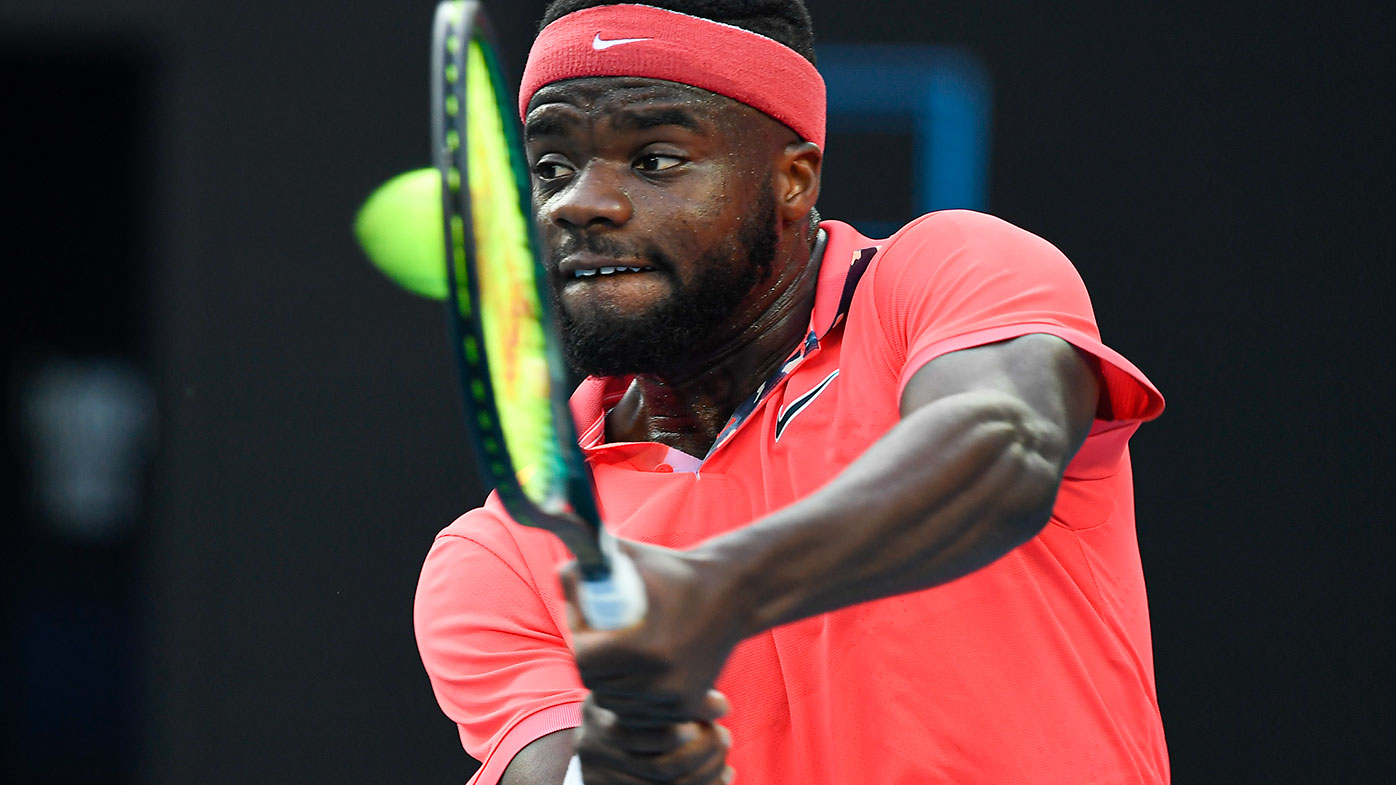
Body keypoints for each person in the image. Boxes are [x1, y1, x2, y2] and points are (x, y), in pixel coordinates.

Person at [414, 1, 1169, 783]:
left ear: (793, 179)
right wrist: (619, 764)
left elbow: (1005, 443)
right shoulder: (497, 555)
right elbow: (556, 770)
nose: (579, 203)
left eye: (656, 159)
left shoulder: (947, 275)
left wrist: (722, 587)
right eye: (551, 169)